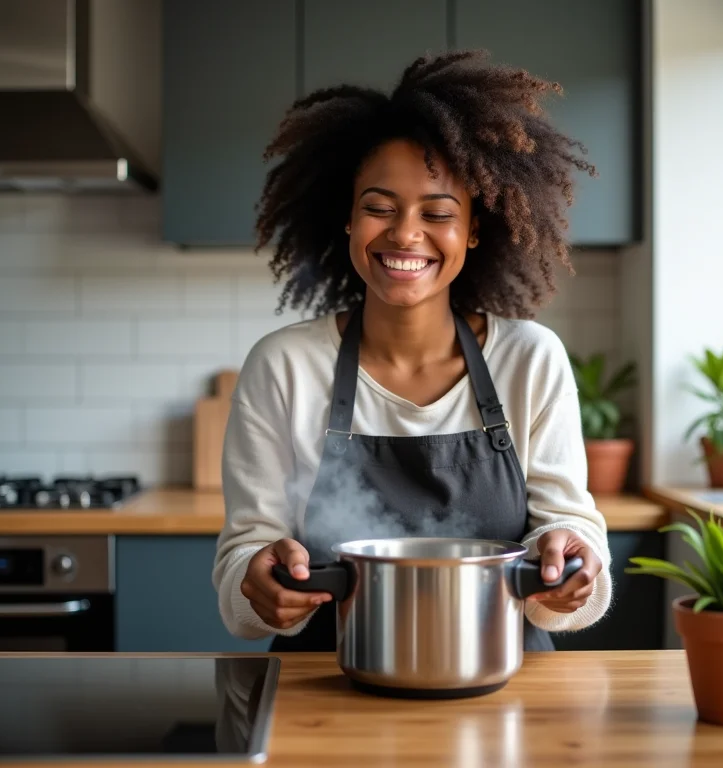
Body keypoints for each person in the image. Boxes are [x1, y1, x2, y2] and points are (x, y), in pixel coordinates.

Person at [213, 50, 612, 653]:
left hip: (499, 682)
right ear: (347, 218)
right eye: (379, 208)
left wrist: (572, 565)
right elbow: (246, 550)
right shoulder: (285, 367)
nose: (404, 233)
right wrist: (255, 579)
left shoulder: (529, 359)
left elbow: (569, 529)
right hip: (326, 684)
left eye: (438, 213)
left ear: (474, 229)